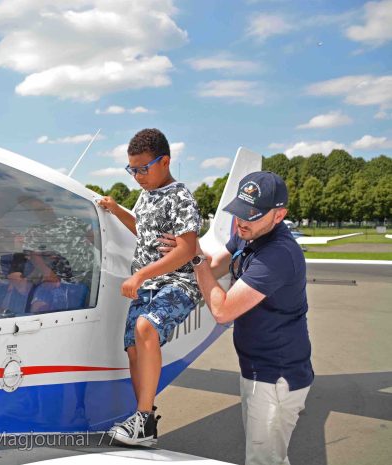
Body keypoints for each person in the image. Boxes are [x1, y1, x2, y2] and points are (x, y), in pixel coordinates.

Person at [187, 171, 313, 465]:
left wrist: (194, 259)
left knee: (264, 461)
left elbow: (223, 311)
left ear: (279, 215)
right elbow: (218, 264)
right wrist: (189, 260)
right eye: (239, 212)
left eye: (252, 215)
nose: (242, 221)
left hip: (275, 377)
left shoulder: (278, 255)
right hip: (256, 369)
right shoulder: (248, 232)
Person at [97, 128, 201, 445]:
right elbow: (142, 229)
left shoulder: (181, 198)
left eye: (144, 168)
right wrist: (117, 210)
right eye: (132, 170)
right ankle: (148, 422)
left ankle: (142, 420)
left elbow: (187, 249)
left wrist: (139, 276)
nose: (138, 177)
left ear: (165, 161)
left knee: (146, 328)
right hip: (147, 285)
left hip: (177, 281)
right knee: (133, 351)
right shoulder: (145, 195)